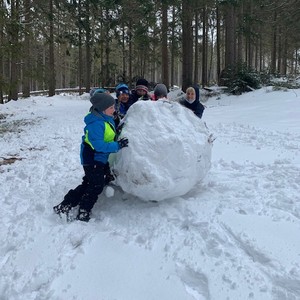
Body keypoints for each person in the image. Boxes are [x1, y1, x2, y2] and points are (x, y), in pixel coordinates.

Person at [53, 93, 129, 222]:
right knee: (95, 185)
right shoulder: (95, 124)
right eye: (111, 108)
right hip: (92, 158)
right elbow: (99, 145)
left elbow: (108, 133)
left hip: (100, 158)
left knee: (90, 182)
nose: (114, 110)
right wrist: (117, 145)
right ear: (102, 108)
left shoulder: (106, 118)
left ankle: (65, 205)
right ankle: (83, 210)